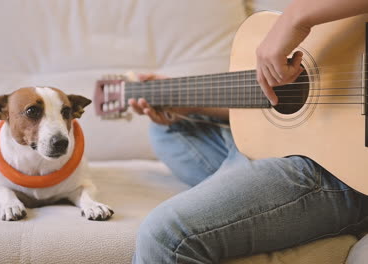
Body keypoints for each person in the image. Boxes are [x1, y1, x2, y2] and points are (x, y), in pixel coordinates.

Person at [130, 0, 368, 263]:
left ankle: (245, 182)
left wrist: (294, 18)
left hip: (341, 170)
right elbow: (281, 97)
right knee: (171, 130)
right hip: (306, 142)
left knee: (166, 237)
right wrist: (194, 104)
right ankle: (247, 180)